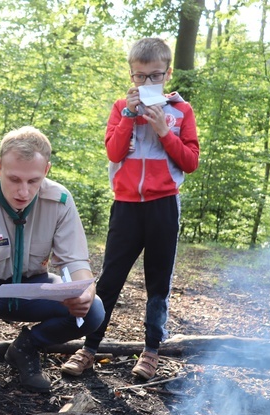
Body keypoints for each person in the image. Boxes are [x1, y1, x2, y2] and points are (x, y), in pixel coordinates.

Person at [61, 37, 200, 380]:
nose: (147, 83)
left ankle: (151, 349)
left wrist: (164, 131)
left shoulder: (182, 112)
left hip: (163, 206)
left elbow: (191, 161)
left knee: (158, 283)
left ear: (167, 74)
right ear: (131, 75)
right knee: (109, 280)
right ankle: (89, 347)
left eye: (154, 76)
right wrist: (129, 115)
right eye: (140, 76)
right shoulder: (121, 106)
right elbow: (113, 152)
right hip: (125, 207)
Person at [0, 125, 106, 393]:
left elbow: (76, 263)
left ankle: (27, 347)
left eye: (33, 181)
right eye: (14, 179)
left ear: (46, 171)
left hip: (36, 286)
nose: (23, 191)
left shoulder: (60, 201)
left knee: (93, 311)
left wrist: (85, 292)